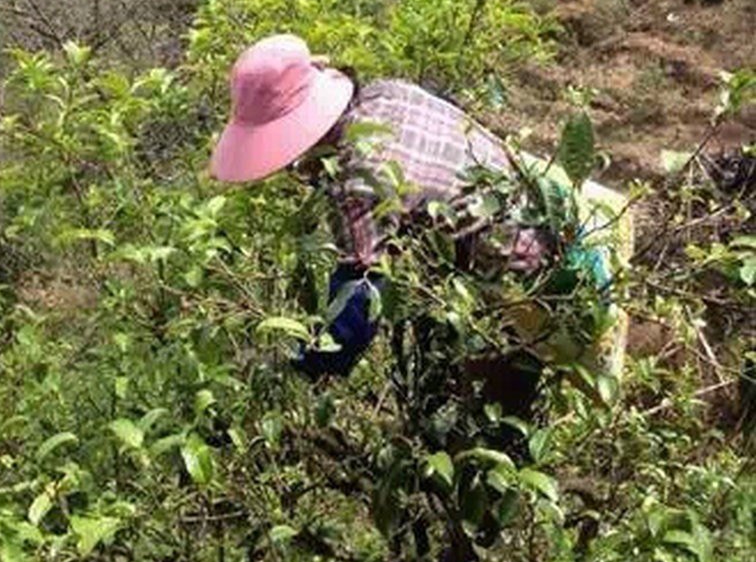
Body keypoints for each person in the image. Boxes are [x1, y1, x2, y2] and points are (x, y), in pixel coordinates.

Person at [209, 34, 623, 404]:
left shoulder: (356, 181)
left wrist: (305, 365)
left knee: (485, 422)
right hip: (540, 217)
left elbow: (359, 299)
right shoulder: (385, 94)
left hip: (524, 276)